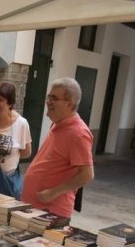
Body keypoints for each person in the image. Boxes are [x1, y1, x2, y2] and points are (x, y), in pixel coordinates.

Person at [21, 77, 94, 218]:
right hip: (35, 206)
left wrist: (52, 193)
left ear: (70, 103)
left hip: (51, 211)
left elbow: (87, 174)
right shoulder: (58, 123)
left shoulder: (78, 133)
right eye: (49, 96)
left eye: (54, 98)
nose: (48, 102)